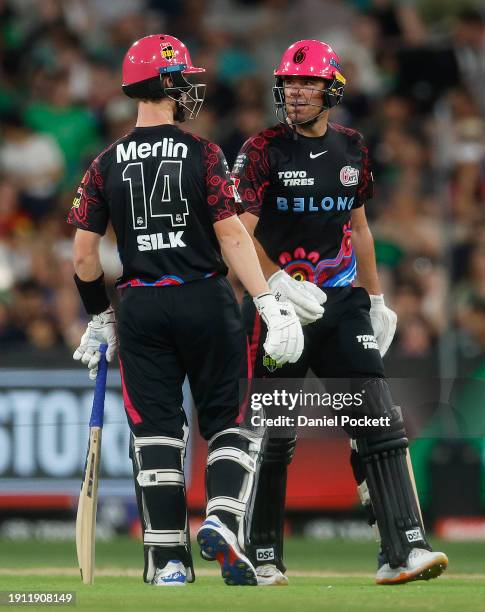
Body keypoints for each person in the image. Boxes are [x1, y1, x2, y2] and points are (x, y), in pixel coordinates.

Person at [67, 34, 304, 587]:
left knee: (157, 437)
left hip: (141, 306)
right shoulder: (205, 153)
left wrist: (99, 315)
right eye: (183, 79)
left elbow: (83, 253)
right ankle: (221, 517)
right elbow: (232, 237)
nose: (190, 88)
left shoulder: (104, 162)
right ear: (166, 83)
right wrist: (268, 301)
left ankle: (168, 564)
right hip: (205, 298)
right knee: (231, 422)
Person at [232, 39, 448, 586]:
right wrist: (274, 284)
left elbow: (360, 229)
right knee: (274, 434)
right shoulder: (261, 150)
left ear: (333, 91)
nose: (295, 92)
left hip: (342, 299)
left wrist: (376, 299)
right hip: (280, 309)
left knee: (376, 417)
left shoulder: (353, 147)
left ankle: (403, 550)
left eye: (307, 84)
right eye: (289, 83)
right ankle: (261, 557)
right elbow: (238, 234)